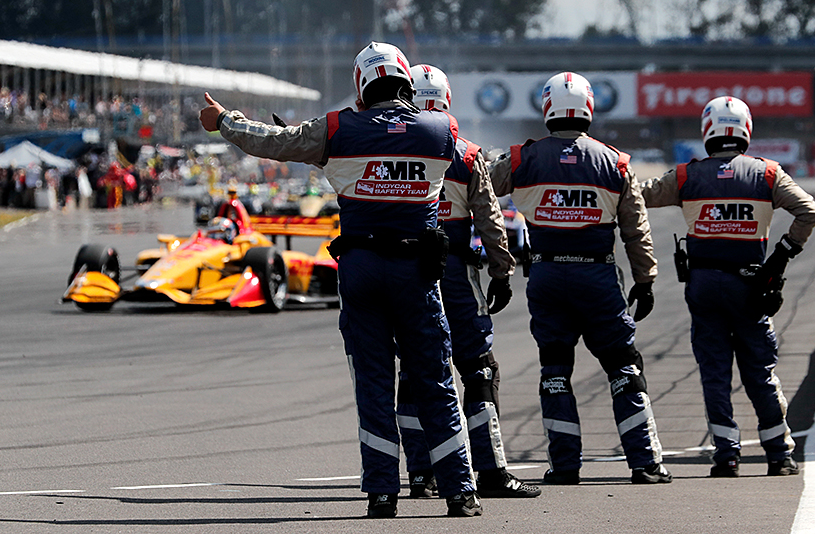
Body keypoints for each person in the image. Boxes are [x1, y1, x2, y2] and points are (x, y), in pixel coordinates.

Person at [200, 42, 482, 518]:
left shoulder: (336, 129)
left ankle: (381, 492)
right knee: (434, 378)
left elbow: (275, 142)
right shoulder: (442, 131)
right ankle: (460, 490)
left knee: (373, 381)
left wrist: (225, 120)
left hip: (362, 269)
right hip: (418, 272)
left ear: (361, 84)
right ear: (406, 82)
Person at [489, 72, 671, 485]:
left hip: (547, 274)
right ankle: (645, 463)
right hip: (597, 275)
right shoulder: (616, 162)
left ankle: (565, 466)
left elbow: (479, 189)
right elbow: (635, 229)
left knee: (554, 370)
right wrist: (645, 280)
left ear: (547, 106)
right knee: (624, 366)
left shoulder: (522, 159)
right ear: (590, 106)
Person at [641, 95, 815, 478]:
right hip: (750, 284)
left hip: (704, 284)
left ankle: (727, 455)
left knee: (714, 372)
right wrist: (781, 256)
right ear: (746, 130)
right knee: (760, 370)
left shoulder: (687, 176)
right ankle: (779, 454)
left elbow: (641, 194)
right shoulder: (768, 173)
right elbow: (809, 210)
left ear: (708, 131)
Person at [395, 64, 540, 499]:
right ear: (446, 101)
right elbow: (492, 222)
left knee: (415, 372)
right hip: (456, 274)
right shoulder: (466, 154)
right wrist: (502, 271)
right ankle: (491, 471)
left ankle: (421, 475)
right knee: (478, 370)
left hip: (405, 273)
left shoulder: (387, 148)